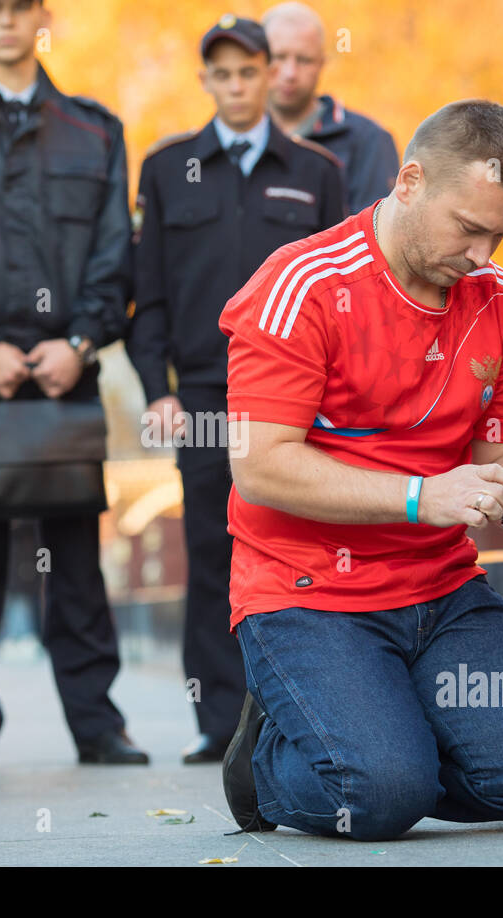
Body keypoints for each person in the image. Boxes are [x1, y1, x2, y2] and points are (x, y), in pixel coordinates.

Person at [218, 99, 503, 839]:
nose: (484, 254)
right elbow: (260, 469)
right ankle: (265, 770)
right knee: (381, 796)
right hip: (307, 592)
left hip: (443, 590)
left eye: (501, 234)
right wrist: (422, 496)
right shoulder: (298, 286)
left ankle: (387, 729)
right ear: (411, 181)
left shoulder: (500, 302)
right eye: (469, 227)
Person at [0, 0, 143, 769]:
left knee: (73, 556)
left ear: (41, 17)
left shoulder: (95, 129)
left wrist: (78, 341)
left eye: (21, 6)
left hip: (67, 373)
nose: (7, 20)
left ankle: (96, 725)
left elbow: (115, 250)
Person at [127, 14, 345, 765]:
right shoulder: (167, 168)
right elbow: (146, 292)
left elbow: (338, 293)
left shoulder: (315, 171)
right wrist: (156, 391)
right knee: (210, 547)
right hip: (203, 400)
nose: (238, 85)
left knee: (298, 545)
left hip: (296, 400)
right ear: (207, 81)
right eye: (222, 73)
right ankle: (220, 725)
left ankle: (296, 709)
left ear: (268, 76)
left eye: (249, 71)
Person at [263, 1, 400, 213]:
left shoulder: (368, 141)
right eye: (278, 58)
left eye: (304, 60)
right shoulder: (236, 138)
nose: (290, 73)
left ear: (321, 64)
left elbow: (376, 236)